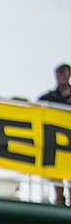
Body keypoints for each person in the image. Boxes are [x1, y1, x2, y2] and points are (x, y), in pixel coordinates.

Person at [39, 64, 71, 205]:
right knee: (56, 171)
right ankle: (59, 199)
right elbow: (38, 105)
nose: (61, 77)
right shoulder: (50, 97)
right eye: (58, 74)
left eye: (63, 74)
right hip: (56, 141)